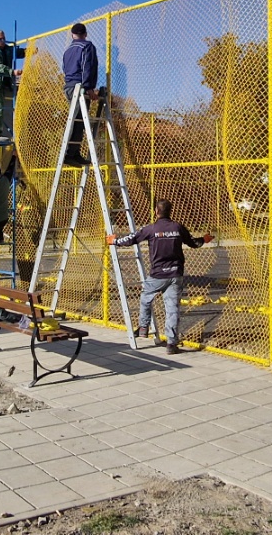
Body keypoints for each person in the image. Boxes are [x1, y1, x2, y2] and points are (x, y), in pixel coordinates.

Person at [107, 199, 212, 354]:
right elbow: (193, 243)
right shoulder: (178, 227)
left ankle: (143, 327)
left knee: (145, 297)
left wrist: (114, 241)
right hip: (176, 274)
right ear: (171, 211)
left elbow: (132, 238)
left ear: (156, 211)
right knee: (172, 309)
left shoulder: (151, 228)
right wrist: (204, 239)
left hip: (157, 274)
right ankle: (171, 344)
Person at [61, 23, 100, 167]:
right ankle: (69, 153)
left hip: (69, 86)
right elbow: (87, 67)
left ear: (72, 35)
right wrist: (88, 87)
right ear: (85, 34)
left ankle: (74, 152)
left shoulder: (67, 51)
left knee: (78, 120)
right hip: (80, 87)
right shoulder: (87, 47)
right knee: (78, 121)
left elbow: (65, 69)